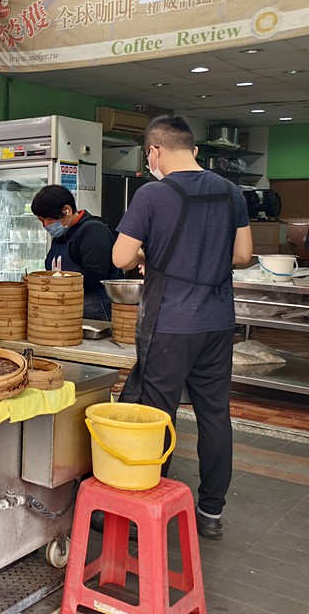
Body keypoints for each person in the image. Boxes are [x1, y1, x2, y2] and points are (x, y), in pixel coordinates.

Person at [112, 115, 252, 541]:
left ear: (154, 152)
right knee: (214, 416)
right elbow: (244, 255)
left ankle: (144, 507)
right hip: (216, 322)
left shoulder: (152, 194)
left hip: (170, 322)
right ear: (192, 149)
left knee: (157, 413)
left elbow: (121, 257)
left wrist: (148, 255)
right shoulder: (231, 191)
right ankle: (210, 512)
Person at [31, 184, 119, 320]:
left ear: (67, 210)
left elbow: (95, 277)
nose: (46, 226)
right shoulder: (61, 236)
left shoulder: (93, 231)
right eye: (41, 220)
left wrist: (53, 283)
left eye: (49, 219)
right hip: (66, 313)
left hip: (94, 315)